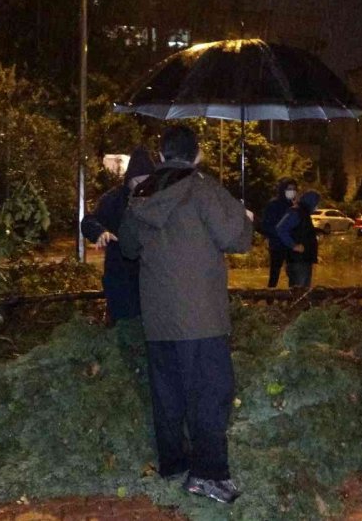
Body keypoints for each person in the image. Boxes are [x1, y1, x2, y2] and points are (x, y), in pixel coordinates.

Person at [119, 125, 252, 504]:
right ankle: (208, 475)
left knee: (168, 395)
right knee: (210, 393)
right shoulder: (203, 189)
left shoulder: (141, 195)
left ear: (161, 156)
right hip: (201, 317)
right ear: (198, 154)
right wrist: (245, 217)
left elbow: (127, 246)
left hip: (158, 320)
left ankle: (174, 464)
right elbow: (237, 239)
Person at [80, 147, 155, 324]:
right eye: (138, 181)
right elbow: (89, 221)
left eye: (147, 181)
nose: (143, 186)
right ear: (130, 179)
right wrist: (100, 231)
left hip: (151, 279)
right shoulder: (114, 199)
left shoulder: (160, 199)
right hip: (120, 278)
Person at [274, 190, 321, 288]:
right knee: (301, 293)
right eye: (317, 203)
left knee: (299, 292)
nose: (317, 207)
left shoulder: (303, 214)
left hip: (302, 260)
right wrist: (293, 245)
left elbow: (301, 232)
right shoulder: (297, 212)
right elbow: (280, 229)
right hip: (299, 262)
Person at [259, 178, 298, 288]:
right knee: (274, 275)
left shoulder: (294, 206)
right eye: (289, 189)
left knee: (294, 275)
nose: (292, 191)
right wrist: (279, 234)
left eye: (294, 189)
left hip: (291, 245)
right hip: (277, 245)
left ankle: (293, 296)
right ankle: (270, 296)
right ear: (283, 190)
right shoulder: (273, 205)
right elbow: (266, 226)